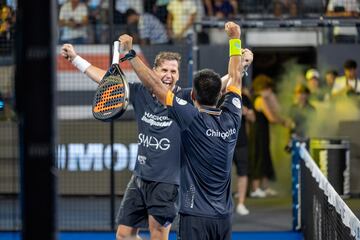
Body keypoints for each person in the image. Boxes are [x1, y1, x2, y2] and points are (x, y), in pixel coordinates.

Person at [119, 21, 252, 239]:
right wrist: (236, 41)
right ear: (221, 95)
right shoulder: (233, 115)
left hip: (195, 215)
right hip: (225, 217)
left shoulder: (191, 119)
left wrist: (130, 54)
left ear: (192, 97)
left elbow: (155, 87)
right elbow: (235, 78)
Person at [61, 44, 189, 239]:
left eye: (173, 71)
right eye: (164, 70)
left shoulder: (185, 97)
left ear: (178, 75)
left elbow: (215, 87)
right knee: (123, 235)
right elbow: (106, 80)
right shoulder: (139, 93)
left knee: (158, 235)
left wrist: (239, 66)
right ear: (153, 71)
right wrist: (75, 59)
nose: (169, 75)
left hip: (166, 183)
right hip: (139, 178)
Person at [248, 74, 290, 198]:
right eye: (268, 88)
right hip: (257, 134)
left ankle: (265, 187)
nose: (270, 90)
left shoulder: (264, 98)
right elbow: (271, 118)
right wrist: (283, 122)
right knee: (259, 157)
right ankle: (255, 189)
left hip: (263, 132)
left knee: (265, 157)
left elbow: (277, 110)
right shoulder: (259, 99)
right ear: (262, 88)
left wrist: (272, 97)